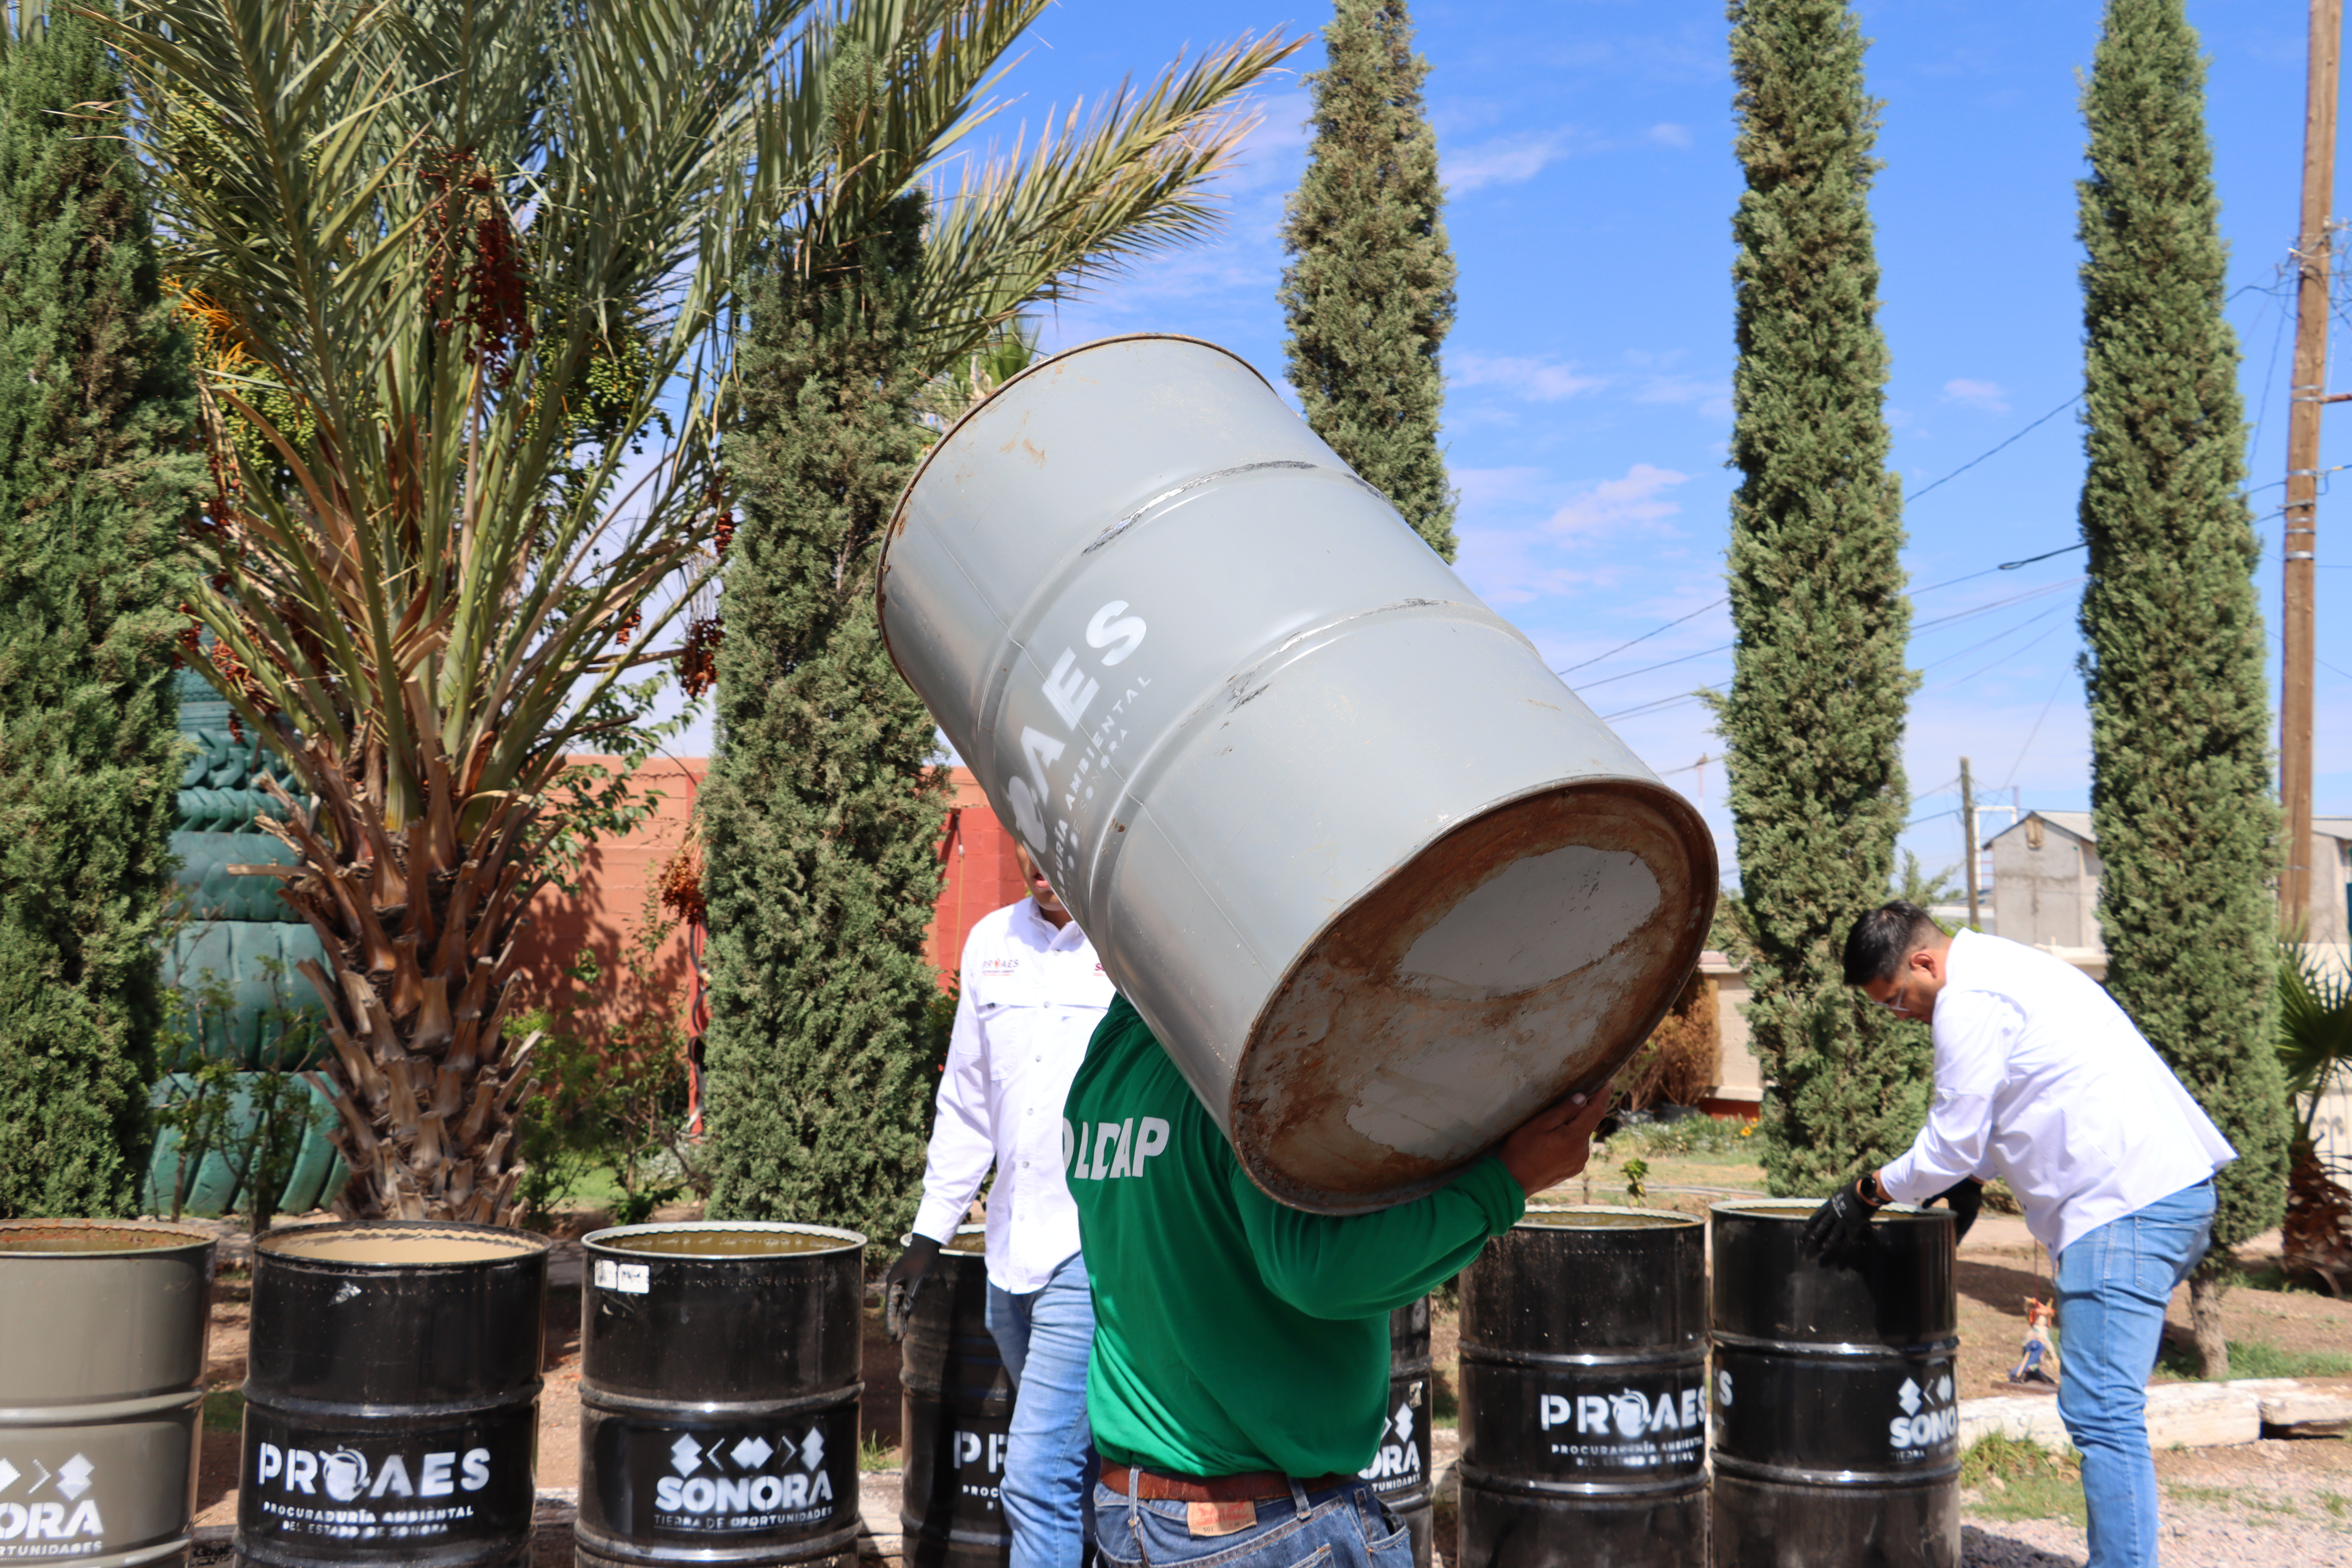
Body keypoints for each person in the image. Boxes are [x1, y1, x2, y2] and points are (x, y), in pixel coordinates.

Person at [1063, 990, 1613, 1568]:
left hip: (1134, 1516)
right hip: (1260, 1527)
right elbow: (1318, 1271)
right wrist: (1506, 1184)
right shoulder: (1248, 1057)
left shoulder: (1113, 1051)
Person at [1811, 901, 2235, 1568]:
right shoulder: (2010, 970)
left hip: (2123, 1209)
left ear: (1924, 961)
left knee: (2103, 1414)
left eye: (1897, 998)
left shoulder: (1967, 998)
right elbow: (1999, 1120)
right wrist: (1966, 1194)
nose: (1900, 1014)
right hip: (2161, 1196)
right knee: (2108, 1409)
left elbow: (1949, 1143)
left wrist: (1867, 1191)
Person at [883, 844, 1113, 1568]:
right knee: (1079, 1476)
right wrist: (929, 1233)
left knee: (1037, 1479)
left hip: (1092, 1250)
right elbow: (970, 1104)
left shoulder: (1129, 951)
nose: (1039, 861)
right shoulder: (991, 942)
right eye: (1026, 841)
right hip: (1008, 1257)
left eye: (1056, 845)